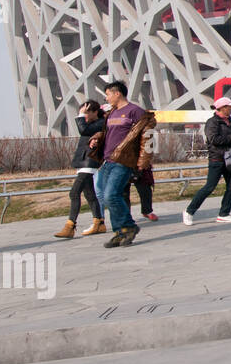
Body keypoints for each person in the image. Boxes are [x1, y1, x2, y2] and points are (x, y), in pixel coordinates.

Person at [94, 81, 156, 248]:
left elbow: (148, 135)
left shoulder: (135, 112)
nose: (106, 98)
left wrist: (144, 161)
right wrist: (97, 138)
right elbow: (109, 134)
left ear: (117, 93)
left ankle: (129, 226)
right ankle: (119, 232)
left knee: (111, 195)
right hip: (108, 160)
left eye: (107, 94)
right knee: (110, 197)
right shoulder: (112, 113)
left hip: (123, 161)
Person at [183, 96, 231, 224]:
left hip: (230, 158)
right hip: (217, 159)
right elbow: (214, 140)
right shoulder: (212, 122)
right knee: (209, 187)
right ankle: (189, 211)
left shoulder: (230, 121)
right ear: (222, 108)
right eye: (230, 107)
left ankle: (224, 213)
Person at [54, 100, 107, 239]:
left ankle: (70, 226)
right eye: (84, 113)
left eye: (87, 112)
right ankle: (99, 222)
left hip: (90, 162)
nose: (85, 116)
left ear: (95, 112)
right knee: (90, 195)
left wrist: (79, 116)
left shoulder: (101, 122)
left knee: (74, 193)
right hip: (84, 162)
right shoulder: (92, 124)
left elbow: (83, 130)